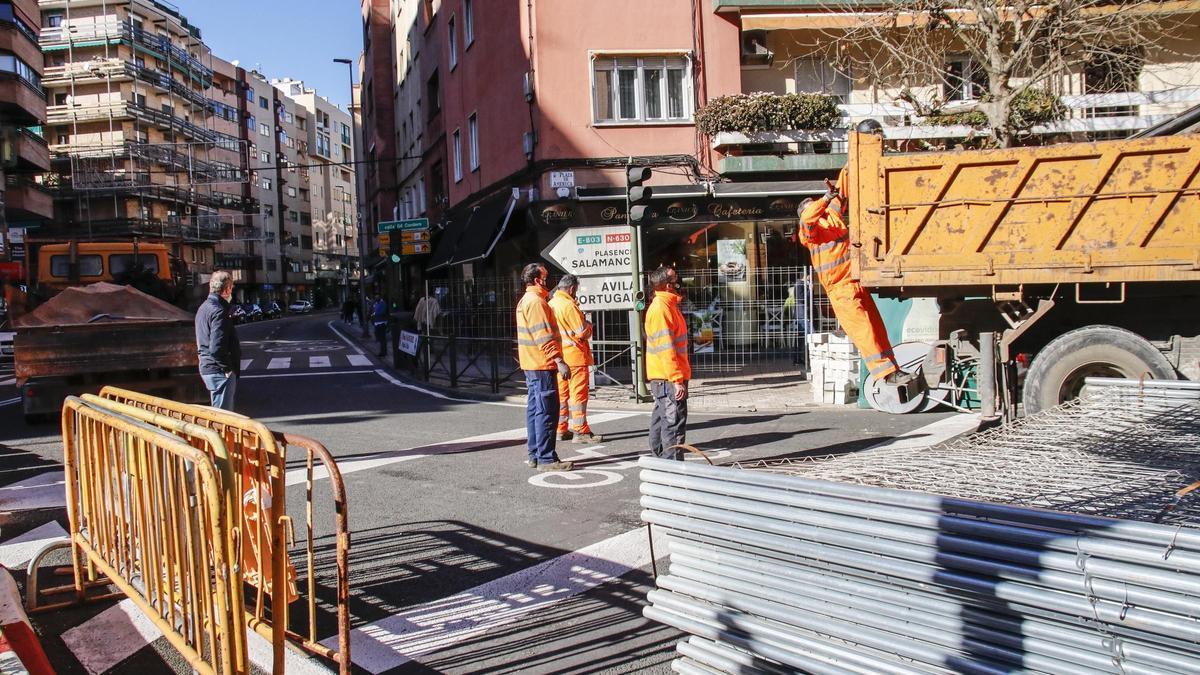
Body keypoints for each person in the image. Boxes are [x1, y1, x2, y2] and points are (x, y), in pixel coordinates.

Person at [798, 168, 910, 386]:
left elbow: (842, 190)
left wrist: (851, 164)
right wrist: (825, 198)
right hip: (840, 290)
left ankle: (892, 368)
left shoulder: (831, 216)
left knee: (876, 327)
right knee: (865, 331)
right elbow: (809, 215)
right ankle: (884, 373)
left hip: (855, 282)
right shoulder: (809, 231)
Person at [516, 263, 573, 472]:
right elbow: (544, 336)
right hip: (542, 364)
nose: (548, 281)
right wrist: (559, 360)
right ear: (538, 280)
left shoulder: (525, 300)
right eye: (546, 277)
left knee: (535, 410)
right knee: (547, 412)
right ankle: (547, 458)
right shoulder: (537, 302)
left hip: (531, 363)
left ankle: (535, 455)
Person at [548, 274, 603, 443]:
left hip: (559, 357)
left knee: (562, 396)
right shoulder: (569, 305)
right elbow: (582, 331)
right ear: (571, 289)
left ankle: (560, 429)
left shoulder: (551, 304)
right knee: (578, 396)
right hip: (575, 357)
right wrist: (589, 325)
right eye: (576, 290)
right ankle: (580, 432)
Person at [645, 266, 690, 461]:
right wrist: (677, 380)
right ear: (667, 286)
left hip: (664, 376)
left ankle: (660, 457)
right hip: (668, 377)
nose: (678, 282)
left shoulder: (667, 306)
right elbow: (667, 350)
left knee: (662, 418)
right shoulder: (662, 309)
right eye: (675, 279)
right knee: (673, 422)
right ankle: (672, 465)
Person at [195, 270, 241, 411]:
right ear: (227, 289)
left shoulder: (203, 308)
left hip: (208, 366)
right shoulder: (219, 312)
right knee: (224, 415)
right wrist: (227, 369)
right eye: (231, 288)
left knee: (218, 412)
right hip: (219, 371)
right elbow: (216, 348)